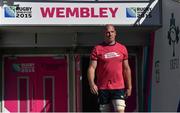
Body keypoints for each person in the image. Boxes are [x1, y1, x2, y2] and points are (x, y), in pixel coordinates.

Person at [87, 24, 132, 112]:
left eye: (112, 32)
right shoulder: (97, 49)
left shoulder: (122, 48)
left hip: (119, 87)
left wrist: (129, 87)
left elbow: (126, 68)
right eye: (107, 32)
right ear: (104, 34)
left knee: (120, 110)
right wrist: (92, 84)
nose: (110, 34)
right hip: (103, 87)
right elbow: (91, 68)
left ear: (115, 33)